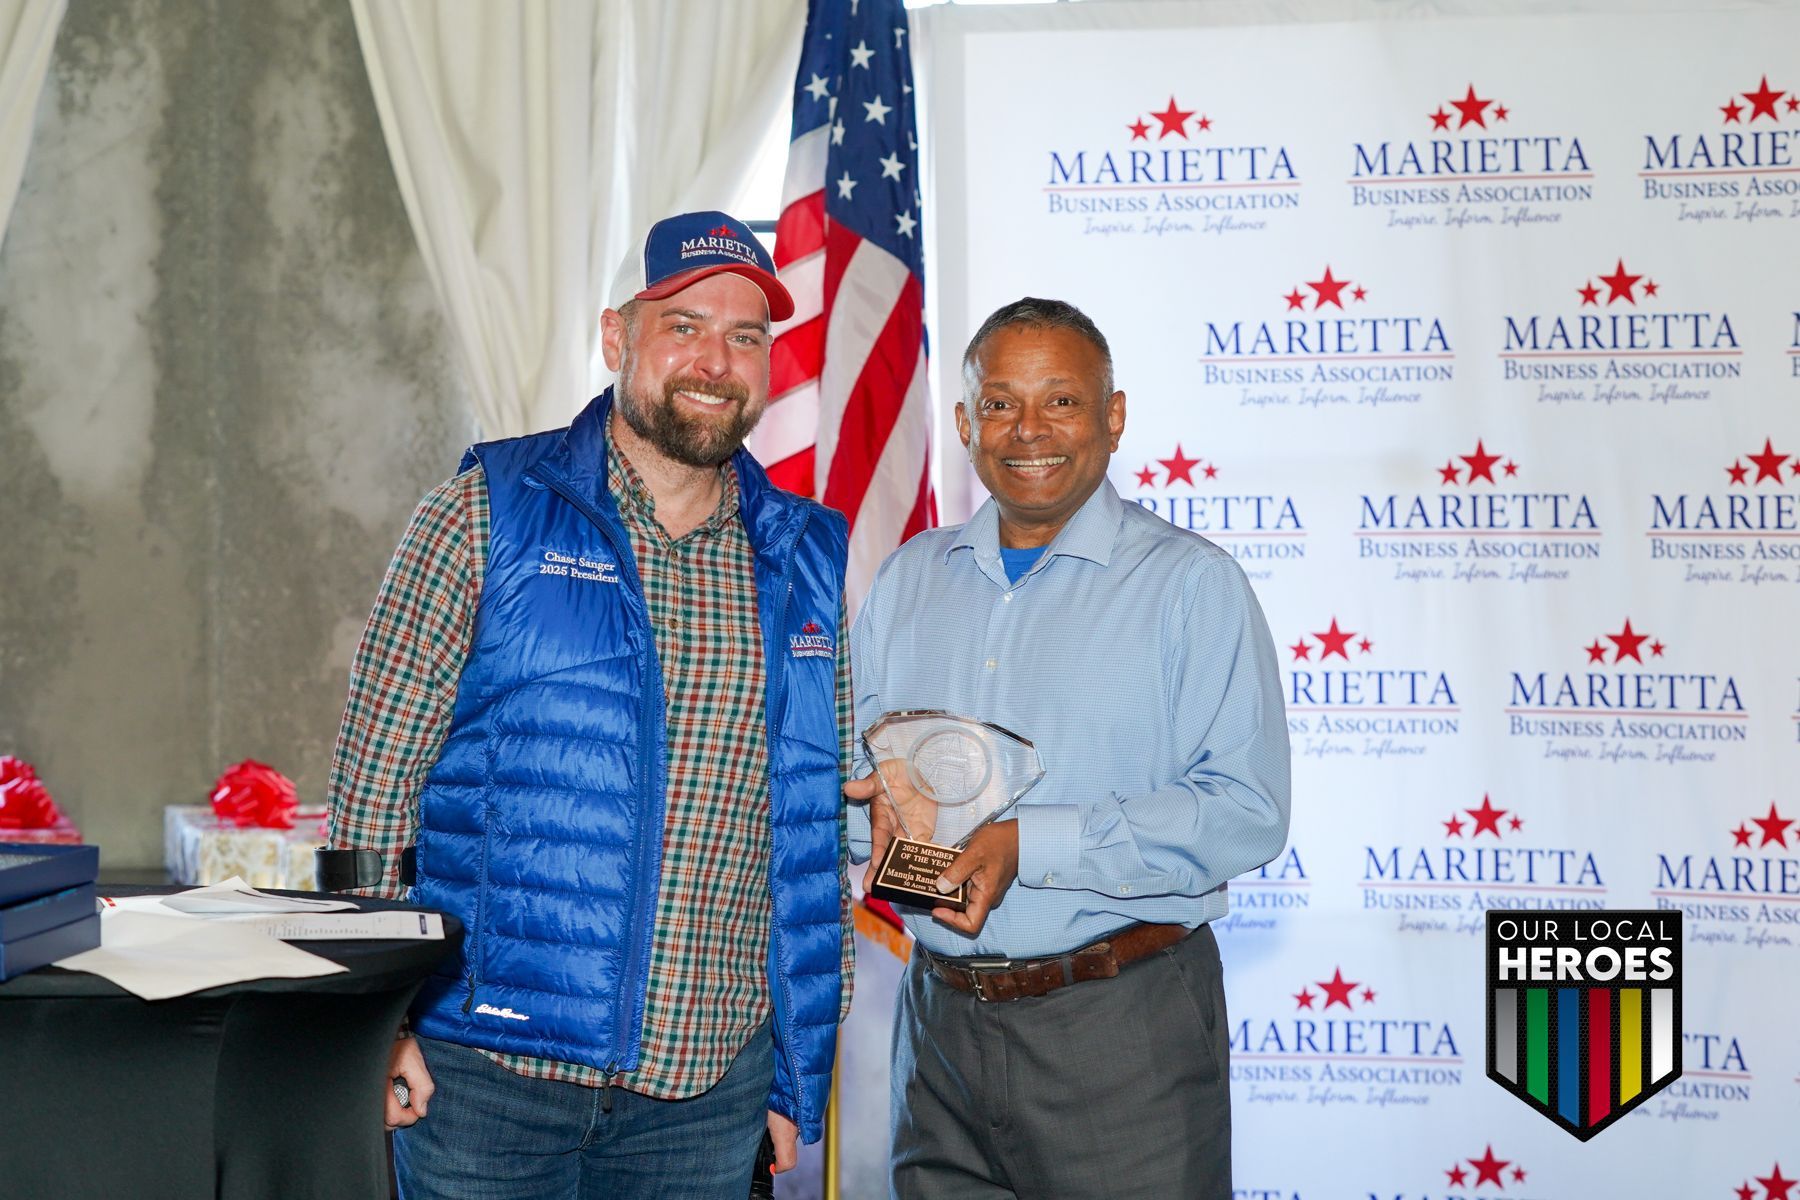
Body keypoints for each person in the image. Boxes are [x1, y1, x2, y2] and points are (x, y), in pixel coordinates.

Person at [325, 210, 854, 1198]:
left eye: (746, 337)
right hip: (486, 1079)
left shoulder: (806, 556)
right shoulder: (485, 511)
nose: (716, 361)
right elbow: (371, 789)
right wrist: (371, 1024)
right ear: (618, 338)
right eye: (684, 326)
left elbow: (807, 836)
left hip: (706, 1094)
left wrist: (794, 1074)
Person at [845, 297, 1291, 1199]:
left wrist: (1029, 842)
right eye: (1000, 404)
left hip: (1121, 1030)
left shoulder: (1190, 585)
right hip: (937, 1030)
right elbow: (852, 787)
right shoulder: (907, 580)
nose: (1028, 431)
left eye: (1061, 401)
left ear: (1113, 417)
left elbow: (1248, 812)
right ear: (964, 423)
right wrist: (872, 819)